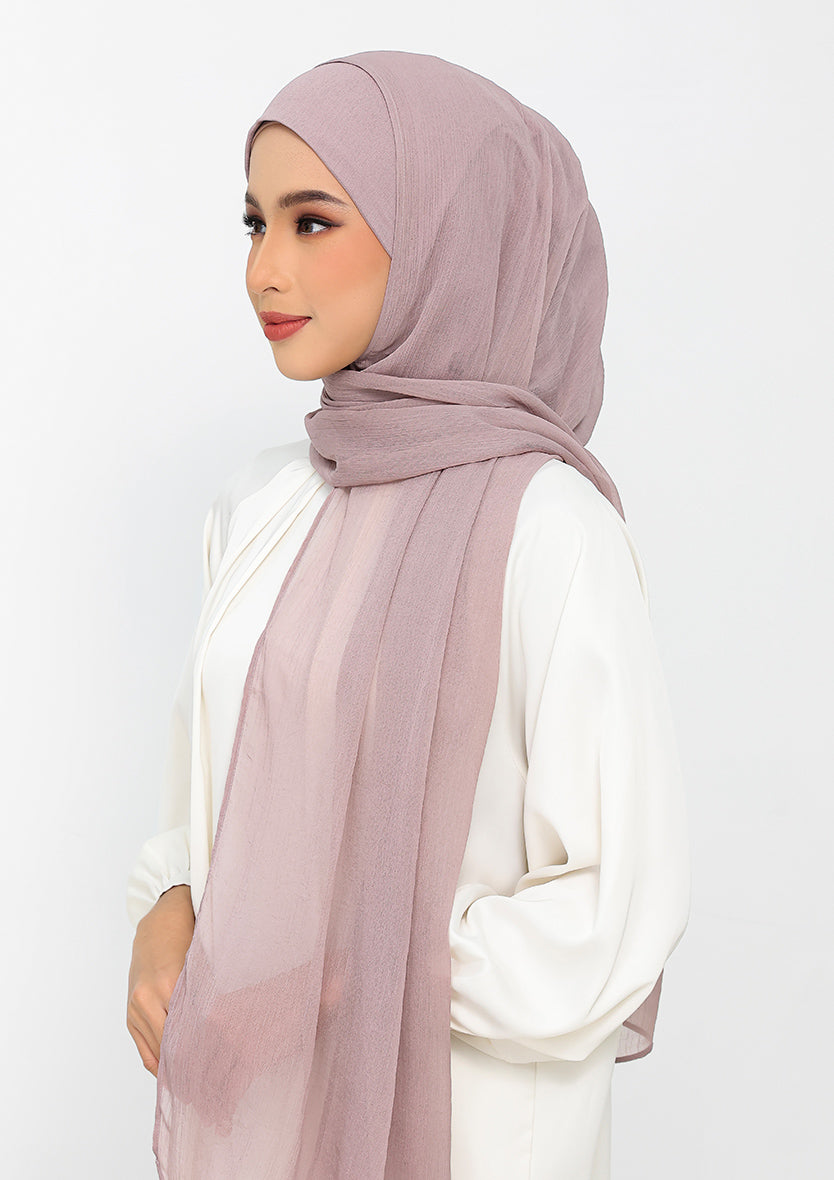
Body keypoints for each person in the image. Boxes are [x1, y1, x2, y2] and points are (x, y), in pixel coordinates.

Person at [126, 50, 690, 1180]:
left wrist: (342, 978)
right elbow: (212, 783)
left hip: (473, 1123)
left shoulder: (550, 528)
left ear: (447, 237)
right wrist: (168, 902)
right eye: (255, 224)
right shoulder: (263, 506)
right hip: (262, 1101)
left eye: (313, 222)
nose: (265, 271)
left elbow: (608, 911)